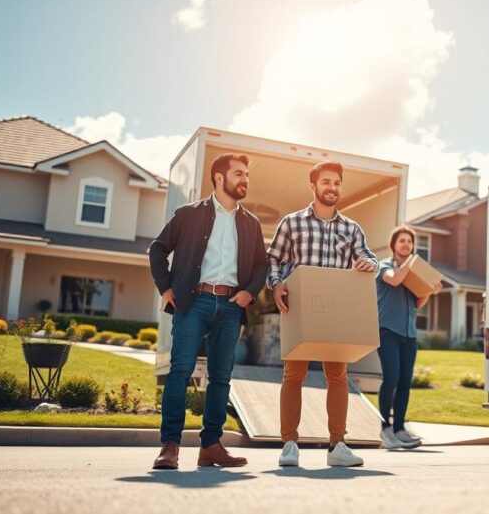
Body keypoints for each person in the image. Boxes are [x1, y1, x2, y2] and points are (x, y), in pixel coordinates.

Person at [148, 153, 269, 470]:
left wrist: (248, 293)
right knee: (180, 370)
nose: (244, 179)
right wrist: (166, 287)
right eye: (239, 173)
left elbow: (261, 265)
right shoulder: (189, 214)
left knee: (221, 378)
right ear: (219, 178)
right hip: (194, 301)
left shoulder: (251, 223)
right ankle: (170, 446)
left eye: (247, 175)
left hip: (231, 306)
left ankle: (211, 447)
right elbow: (157, 249)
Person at [268, 161, 377, 468]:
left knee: (338, 378)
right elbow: (274, 259)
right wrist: (276, 286)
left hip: (336, 312)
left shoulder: (351, 228)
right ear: (312, 185)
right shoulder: (292, 223)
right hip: (301, 308)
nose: (332, 188)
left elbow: (368, 257)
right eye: (326, 182)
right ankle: (289, 443)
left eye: (337, 183)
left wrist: (369, 264)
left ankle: (337, 445)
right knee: (294, 376)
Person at [375, 226, 441, 449]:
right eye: (401, 241)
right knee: (391, 377)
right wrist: (412, 266)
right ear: (393, 245)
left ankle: (400, 428)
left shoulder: (413, 273)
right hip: (387, 331)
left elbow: (417, 303)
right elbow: (394, 280)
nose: (406, 245)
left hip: (409, 334)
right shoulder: (383, 266)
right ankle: (385, 428)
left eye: (409, 242)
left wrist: (429, 289)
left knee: (405, 382)